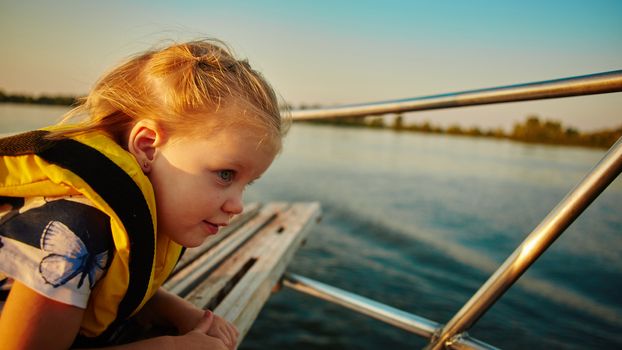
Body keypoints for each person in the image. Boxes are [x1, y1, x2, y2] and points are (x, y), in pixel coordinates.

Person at [0, 39, 286, 349]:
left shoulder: (138, 218)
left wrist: (184, 313)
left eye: (247, 183)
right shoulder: (75, 231)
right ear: (148, 145)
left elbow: (113, 284)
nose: (238, 206)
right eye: (225, 174)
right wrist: (170, 347)